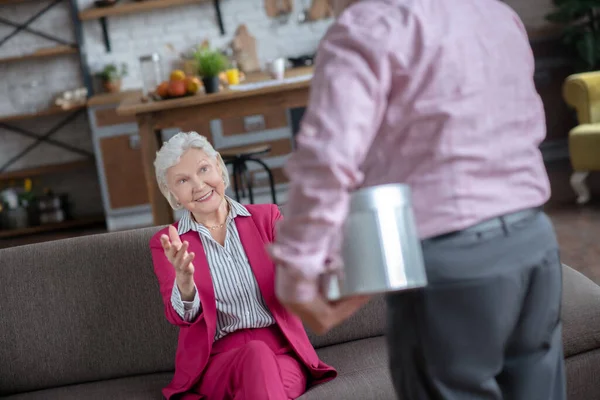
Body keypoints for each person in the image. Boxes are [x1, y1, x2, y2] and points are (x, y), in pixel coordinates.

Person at [268, 0, 567, 399]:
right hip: (535, 244)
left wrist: (298, 273)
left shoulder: (367, 26)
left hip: (447, 266)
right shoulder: (493, 12)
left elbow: (327, 159)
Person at [149, 132, 336, 400]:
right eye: (182, 180)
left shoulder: (267, 218)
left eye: (204, 169)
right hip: (216, 363)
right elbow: (181, 317)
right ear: (173, 195)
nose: (199, 185)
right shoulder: (168, 243)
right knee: (258, 365)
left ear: (219, 168)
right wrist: (185, 283)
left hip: (282, 354)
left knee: (260, 378)